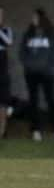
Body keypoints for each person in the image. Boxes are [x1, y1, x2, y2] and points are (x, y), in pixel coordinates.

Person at [19, 8, 54, 142]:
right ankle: (35, 130)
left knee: (51, 100)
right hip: (31, 73)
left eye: (35, 17)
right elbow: (22, 52)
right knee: (33, 100)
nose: (33, 20)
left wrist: (50, 66)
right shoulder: (28, 34)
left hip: (46, 73)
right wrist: (27, 64)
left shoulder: (51, 34)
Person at [0, 7, 12, 138]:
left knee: (3, 103)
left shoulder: (6, 30)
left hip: (3, 73)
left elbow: (9, 42)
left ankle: (2, 131)